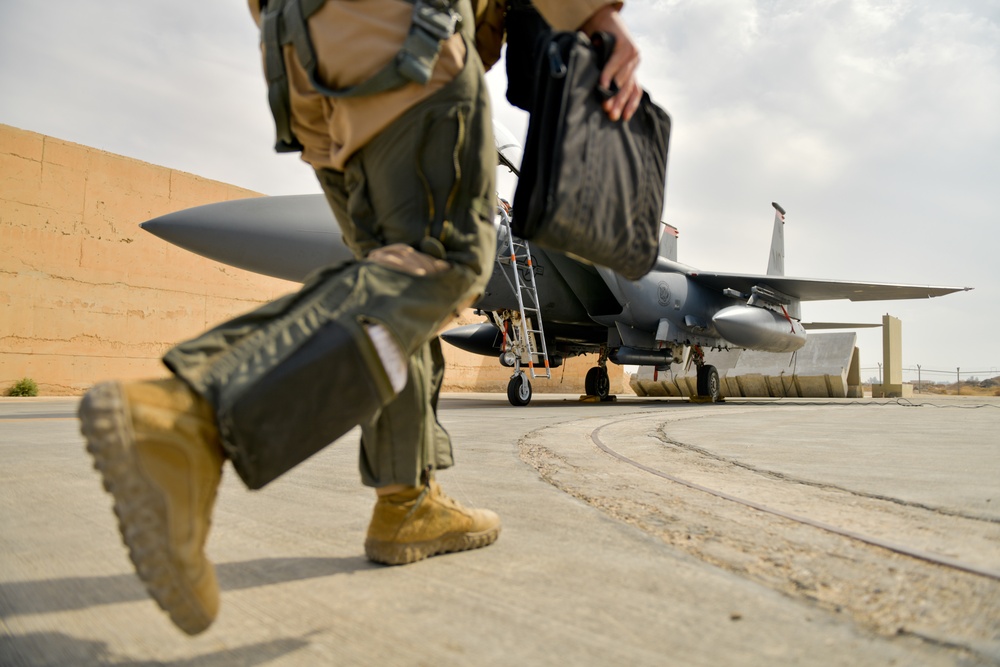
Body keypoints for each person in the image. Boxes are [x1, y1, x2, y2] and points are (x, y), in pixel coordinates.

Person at [78, 0, 642, 636]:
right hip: (406, 34)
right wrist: (594, 14)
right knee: (448, 263)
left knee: (400, 279)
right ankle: (185, 416)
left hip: (309, 57)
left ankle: (407, 500)